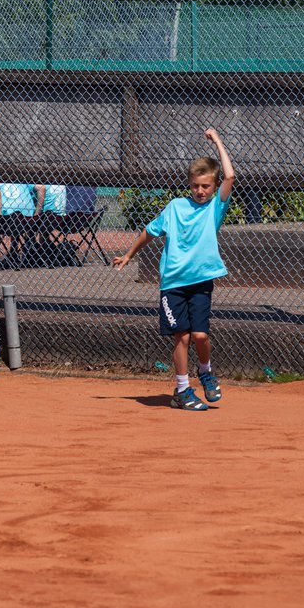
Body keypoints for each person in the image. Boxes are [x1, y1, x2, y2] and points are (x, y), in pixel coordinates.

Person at [113, 127, 235, 411]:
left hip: (202, 281)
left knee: (201, 336)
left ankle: (204, 371)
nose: (200, 191)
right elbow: (149, 232)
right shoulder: (175, 207)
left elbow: (229, 175)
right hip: (173, 283)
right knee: (182, 336)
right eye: (195, 186)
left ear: (214, 187)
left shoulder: (216, 207)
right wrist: (129, 255)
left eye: (206, 186)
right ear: (189, 185)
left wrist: (217, 141)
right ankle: (182, 390)